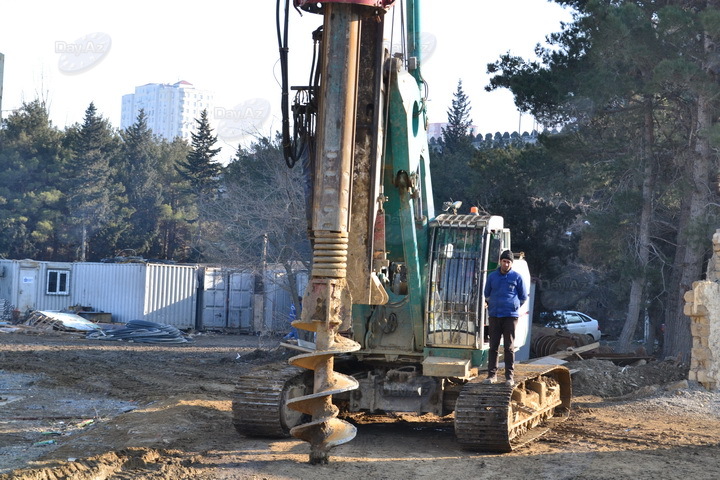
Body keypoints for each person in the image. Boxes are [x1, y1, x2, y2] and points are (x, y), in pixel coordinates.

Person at [482, 249, 527, 386]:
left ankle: (509, 377)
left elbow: (523, 296)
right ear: (500, 262)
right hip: (494, 315)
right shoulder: (492, 277)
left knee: (509, 347)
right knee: (493, 346)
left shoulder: (517, 277)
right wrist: (491, 304)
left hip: (510, 317)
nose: (506, 264)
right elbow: (487, 293)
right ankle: (491, 375)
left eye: (508, 262)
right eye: (504, 261)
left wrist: (513, 306)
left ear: (511, 264)